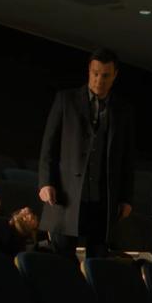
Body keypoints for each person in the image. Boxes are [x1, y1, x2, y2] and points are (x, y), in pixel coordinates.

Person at [37, 47, 136, 258]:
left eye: (105, 75)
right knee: (61, 261)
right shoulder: (66, 100)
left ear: (115, 75)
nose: (99, 80)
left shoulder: (123, 110)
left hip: (103, 200)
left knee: (98, 262)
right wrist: (46, 182)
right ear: (89, 71)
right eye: (95, 73)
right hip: (66, 196)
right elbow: (49, 146)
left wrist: (126, 198)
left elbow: (127, 158)